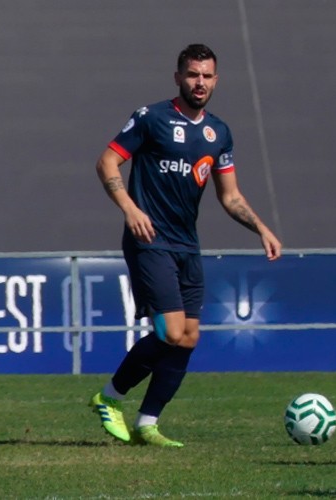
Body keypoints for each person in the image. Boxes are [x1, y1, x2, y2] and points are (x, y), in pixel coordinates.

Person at [89, 43, 282, 447]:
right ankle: (109, 397)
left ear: (216, 80)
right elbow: (107, 161)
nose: (200, 82)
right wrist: (129, 208)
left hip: (187, 246)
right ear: (178, 77)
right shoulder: (151, 118)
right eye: (193, 74)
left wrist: (262, 228)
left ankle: (147, 423)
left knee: (189, 336)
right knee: (171, 330)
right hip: (150, 240)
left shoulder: (219, 132)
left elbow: (229, 196)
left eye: (207, 75)